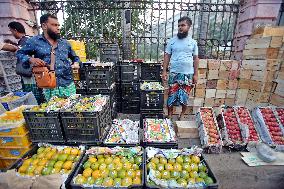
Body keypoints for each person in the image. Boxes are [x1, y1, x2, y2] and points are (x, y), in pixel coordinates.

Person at [17, 14, 80, 101]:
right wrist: (31, 59)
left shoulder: (65, 43)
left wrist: (76, 63)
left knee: (72, 110)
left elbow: (75, 57)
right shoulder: (34, 41)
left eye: (58, 25)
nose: (58, 28)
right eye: (54, 25)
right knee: (52, 112)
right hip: (48, 86)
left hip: (67, 84)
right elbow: (20, 53)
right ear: (44, 26)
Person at [162, 16, 199, 120]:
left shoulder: (193, 43)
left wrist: (196, 74)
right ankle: (169, 115)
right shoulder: (172, 41)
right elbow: (167, 56)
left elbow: (196, 59)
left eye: (183, 25)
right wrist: (164, 71)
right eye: (179, 26)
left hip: (187, 74)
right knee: (171, 95)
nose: (180, 28)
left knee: (184, 96)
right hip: (174, 73)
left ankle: (182, 115)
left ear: (189, 27)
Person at [8, 21, 44, 104]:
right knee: (36, 94)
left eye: (11, 31)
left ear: (15, 30)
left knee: (33, 97)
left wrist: (4, 46)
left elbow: (21, 52)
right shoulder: (29, 38)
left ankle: (36, 111)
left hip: (30, 74)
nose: (12, 33)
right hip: (34, 73)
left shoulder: (24, 41)